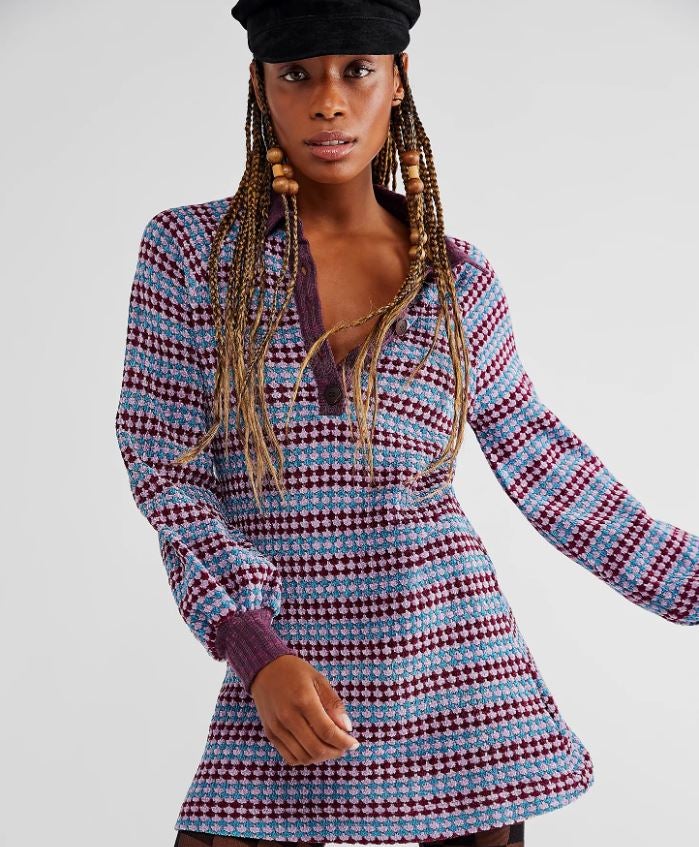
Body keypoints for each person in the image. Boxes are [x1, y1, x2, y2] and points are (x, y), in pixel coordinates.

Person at [114, 1, 698, 845]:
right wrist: (251, 643)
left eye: (356, 70)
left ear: (397, 80)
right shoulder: (191, 251)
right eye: (296, 74)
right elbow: (165, 466)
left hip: (453, 670)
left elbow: (542, 459)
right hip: (287, 665)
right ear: (260, 86)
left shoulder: (455, 280)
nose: (327, 100)